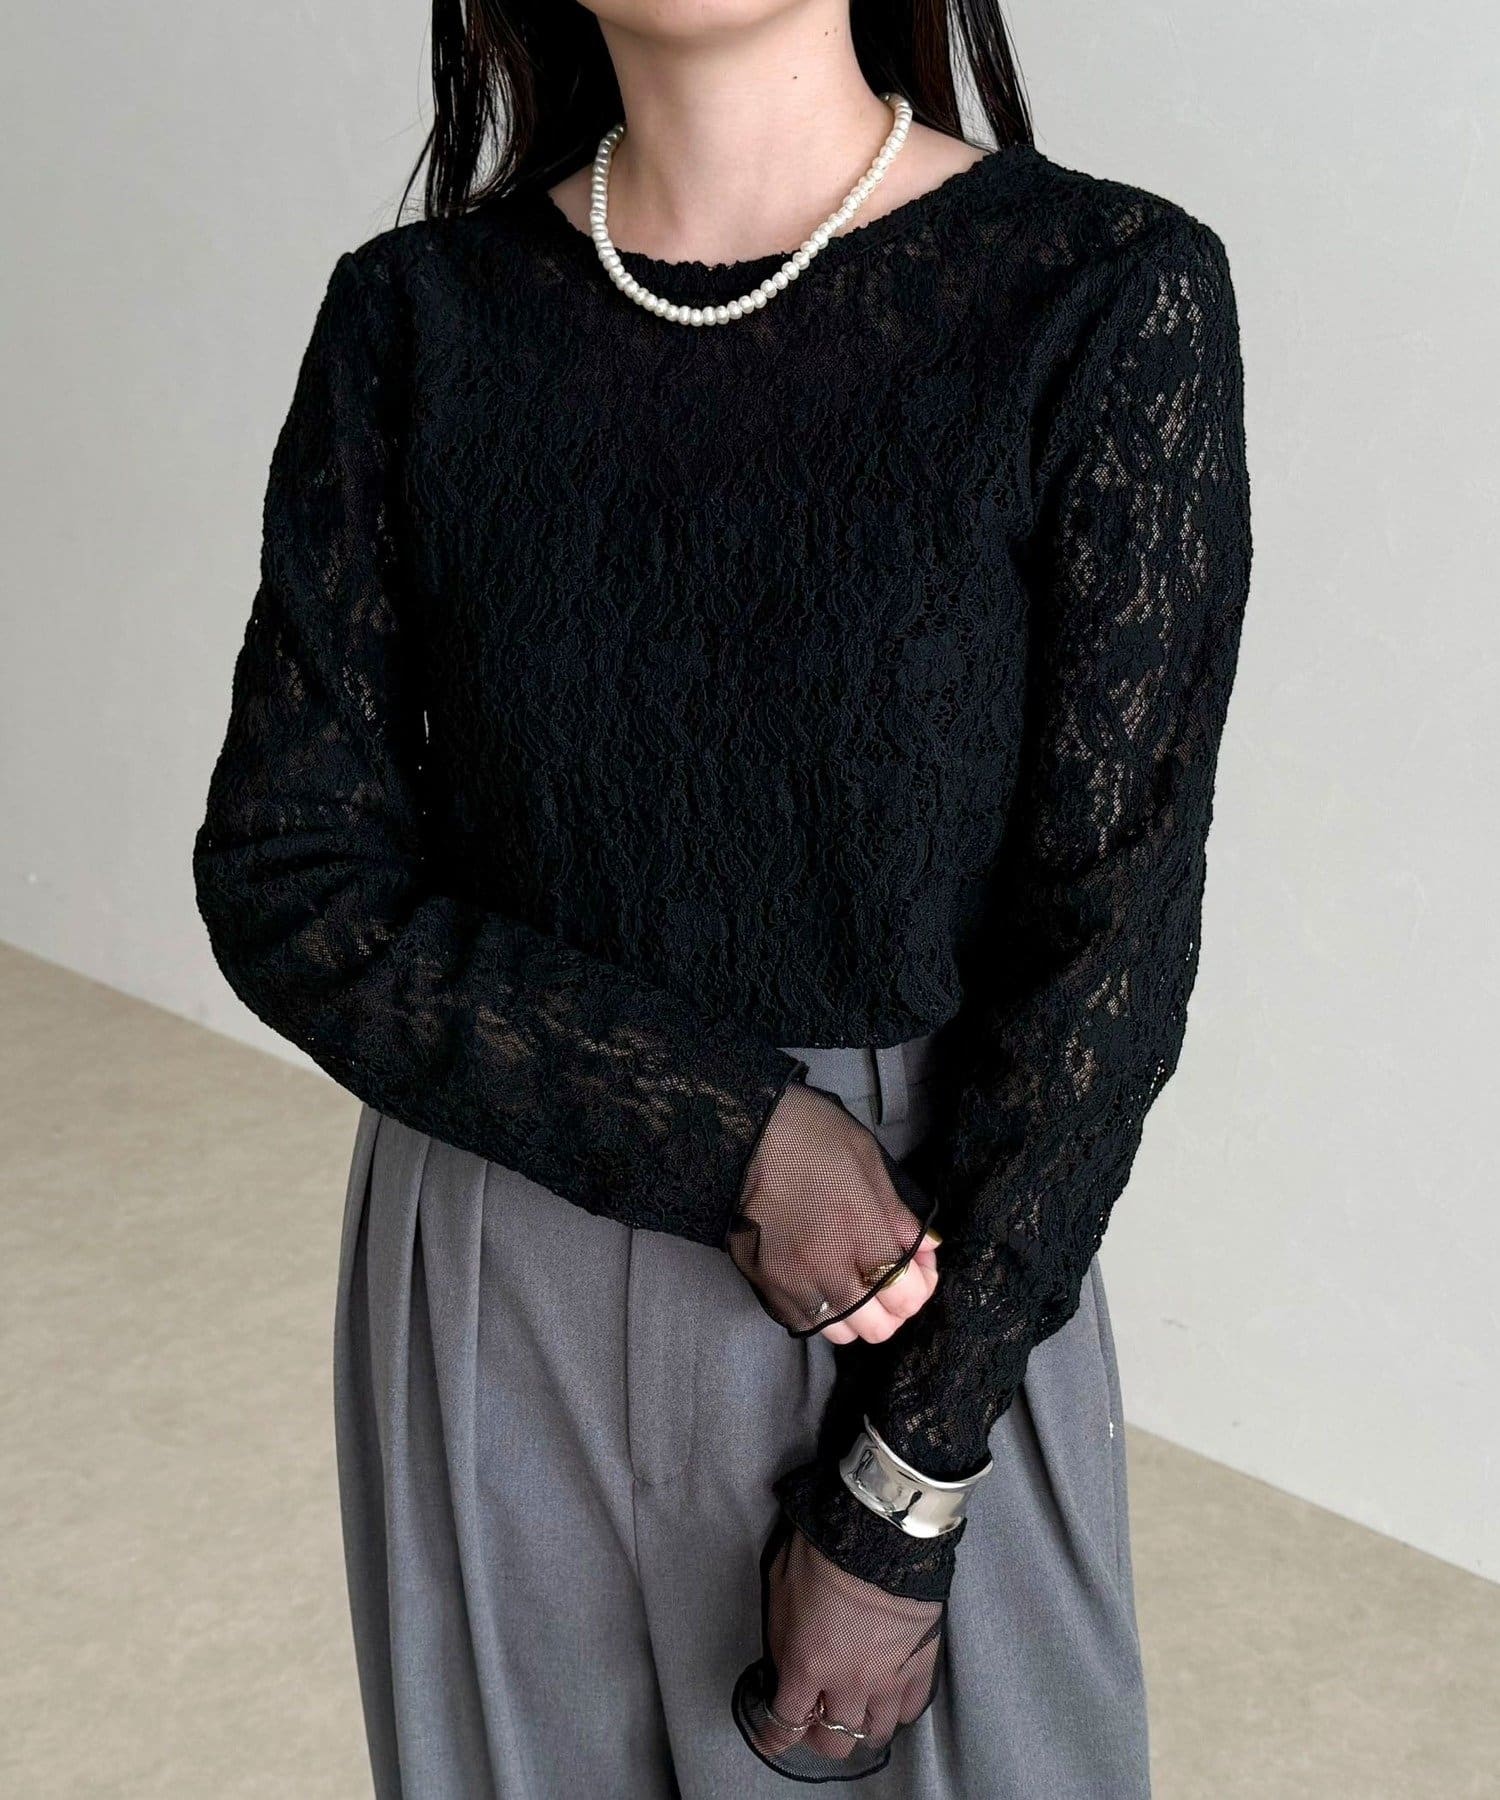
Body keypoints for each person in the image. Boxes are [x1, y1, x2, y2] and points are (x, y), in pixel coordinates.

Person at [193, 0, 1252, 1792]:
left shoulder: (1103, 292)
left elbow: (1111, 947)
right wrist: (736, 1137)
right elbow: (289, 869)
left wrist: (905, 1491)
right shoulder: (414, 317)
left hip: (928, 1274)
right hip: (499, 1239)